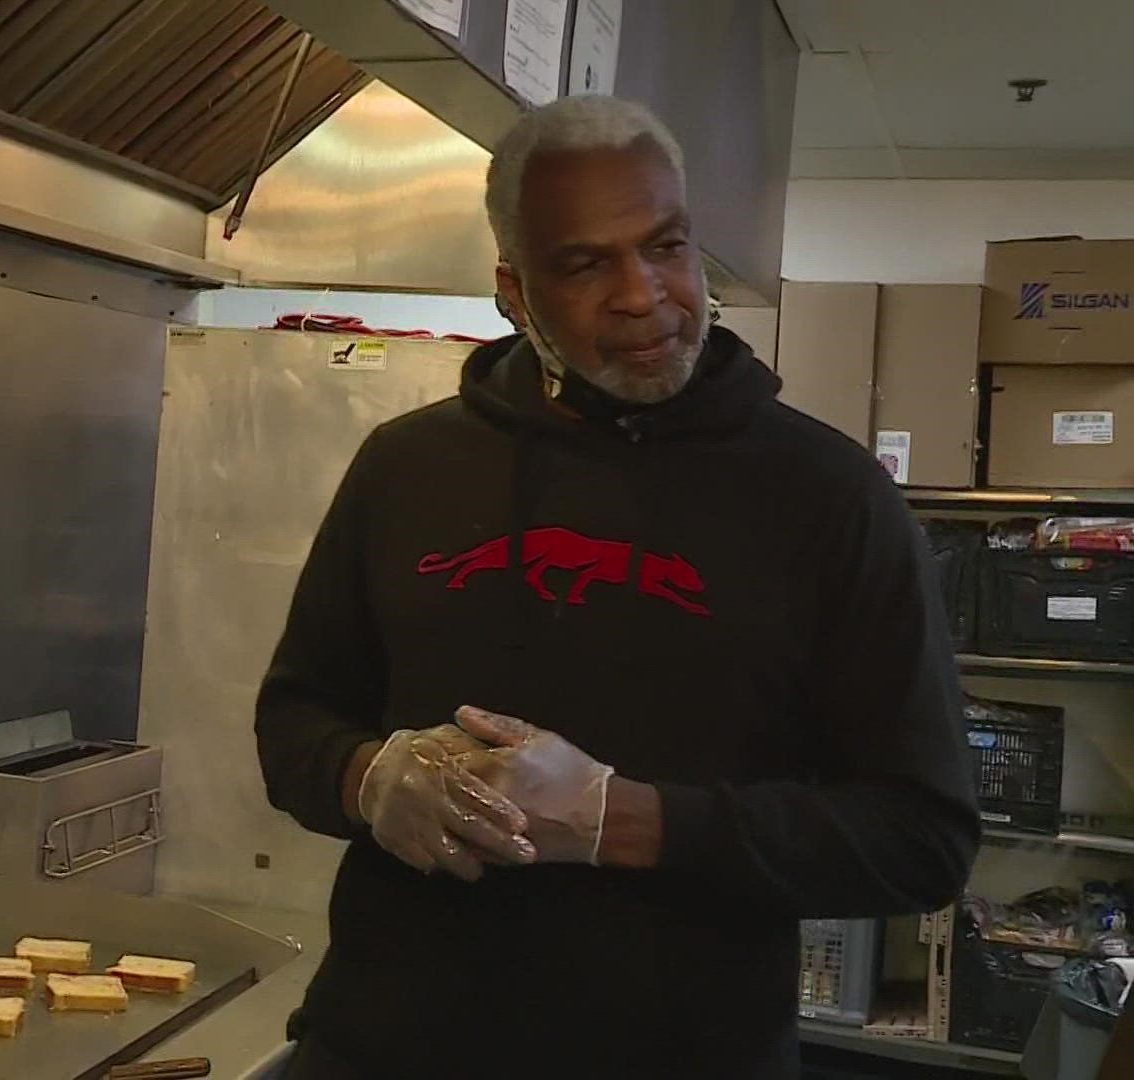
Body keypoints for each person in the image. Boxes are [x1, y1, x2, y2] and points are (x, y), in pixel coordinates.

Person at [255, 95, 979, 1077]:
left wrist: (620, 819)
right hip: (382, 1045)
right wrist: (369, 777)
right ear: (513, 288)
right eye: (586, 263)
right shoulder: (404, 467)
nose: (644, 295)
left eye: (666, 247)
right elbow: (293, 721)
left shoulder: (829, 499)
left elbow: (921, 838)